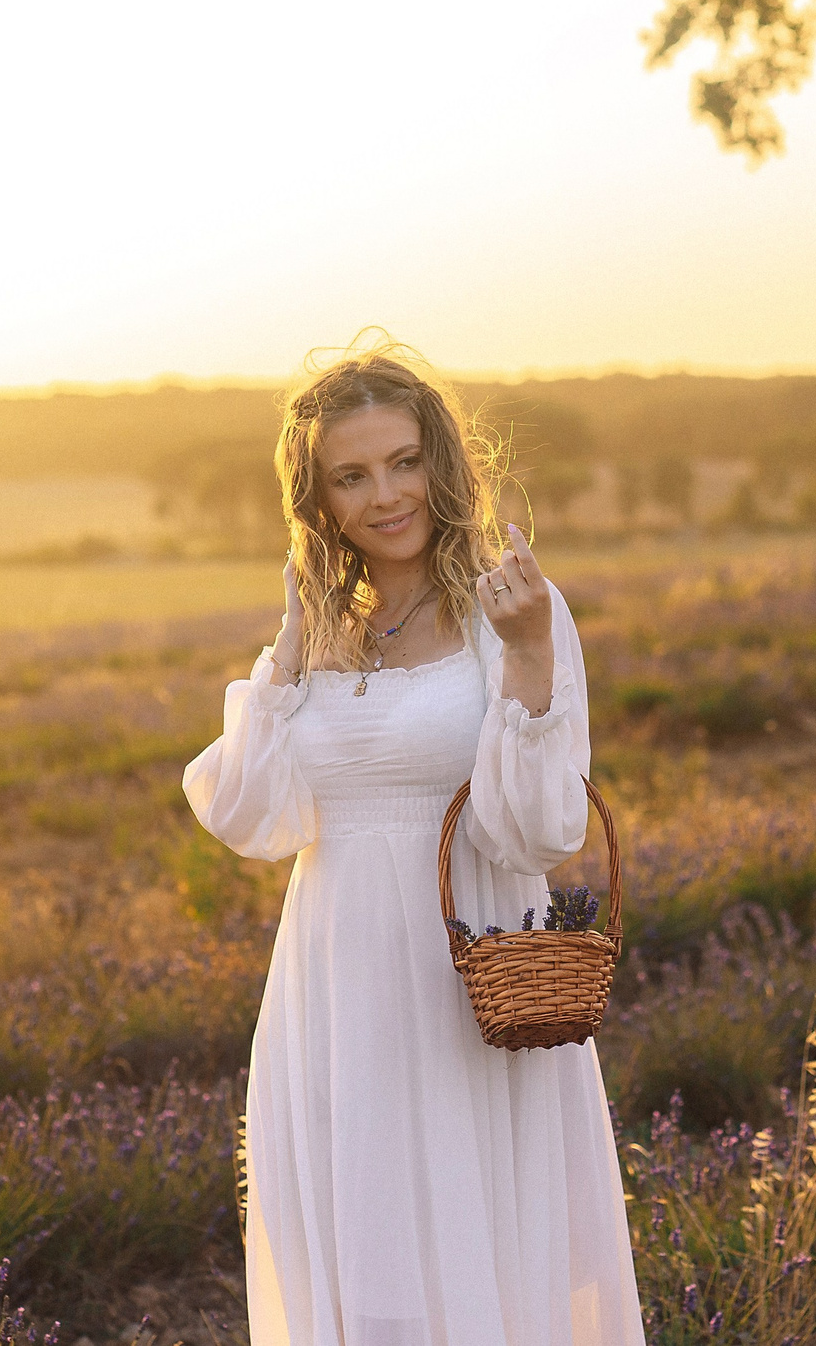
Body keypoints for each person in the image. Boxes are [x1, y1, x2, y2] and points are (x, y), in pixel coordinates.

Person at [182, 343, 645, 1346]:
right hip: (334, 987)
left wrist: (524, 656)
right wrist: (287, 661)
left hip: (466, 981)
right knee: (361, 1253)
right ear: (319, 501)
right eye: (351, 476)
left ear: (441, 461)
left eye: (402, 461)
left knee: (479, 1250)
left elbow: (538, 829)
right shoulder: (322, 622)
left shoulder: (511, 608)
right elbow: (249, 817)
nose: (384, 494)